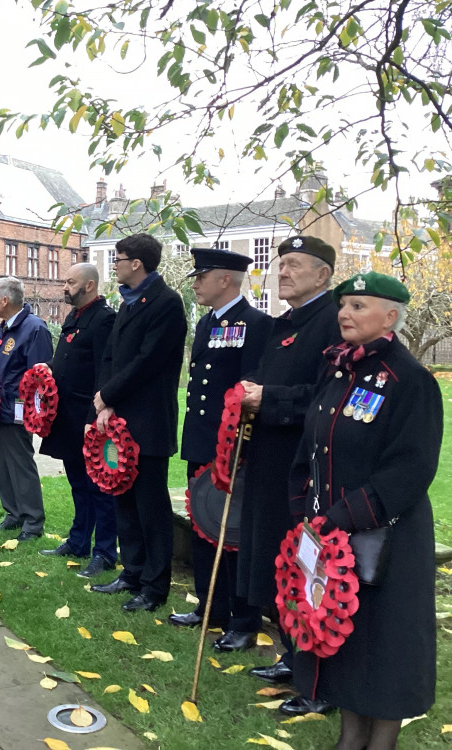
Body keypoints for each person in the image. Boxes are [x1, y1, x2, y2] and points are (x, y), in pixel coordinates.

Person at [289, 271, 442, 749]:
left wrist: (341, 518)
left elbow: (411, 469)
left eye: (358, 306)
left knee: (384, 649)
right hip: (331, 536)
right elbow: (312, 448)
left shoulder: (409, 380)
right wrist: (303, 511)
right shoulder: (340, 369)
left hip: (385, 542)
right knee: (345, 640)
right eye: (343, 305)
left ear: (390, 316)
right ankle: (350, 737)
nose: (344, 313)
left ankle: (381, 743)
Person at [236, 236, 340, 716]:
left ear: (322, 275)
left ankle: (319, 679)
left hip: (303, 469)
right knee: (274, 564)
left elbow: (325, 396)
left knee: (304, 570)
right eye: (281, 265)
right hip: (267, 462)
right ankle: (291, 654)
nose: (282, 272)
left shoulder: (331, 322)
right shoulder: (286, 323)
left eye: (294, 265)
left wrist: (268, 399)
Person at [168, 248, 273, 650]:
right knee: (202, 522)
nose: (195, 284)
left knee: (232, 531)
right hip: (201, 438)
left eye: (202, 276)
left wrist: (237, 445)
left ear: (225, 279)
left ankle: (243, 619)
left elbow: (251, 387)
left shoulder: (256, 324)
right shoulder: (208, 323)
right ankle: (211, 606)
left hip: (231, 443)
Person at [89, 234, 188, 612]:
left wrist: (109, 395)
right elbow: (111, 358)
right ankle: (131, 572)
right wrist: (102, 403)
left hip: (148, 422)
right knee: (124, 500)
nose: (113, 265)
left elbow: (148, 362)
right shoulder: (128, 302)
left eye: (118, 259)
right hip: (118, 420)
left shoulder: (166, 303)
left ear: (137, 263)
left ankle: (154, 585)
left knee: (150, 507)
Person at [38, 263, 117, 576]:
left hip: (88, 417)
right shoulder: (74, 316)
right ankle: (79, 541)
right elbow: (70, 358)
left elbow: (103, 370)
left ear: (89, 285)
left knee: (99, 487)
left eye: (70, 282)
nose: (65, 287)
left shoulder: (104, 318)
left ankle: (105, 552)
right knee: (78, 484)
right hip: (66, 416)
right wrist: (49, 367)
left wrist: (93, 415)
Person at [0, 277, 53, 541]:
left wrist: (31, 413)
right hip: (1, 406)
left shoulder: (34, 329)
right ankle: (13, 514)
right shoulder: (6, 327)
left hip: (19, 408)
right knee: (4, 463)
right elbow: (3, 359)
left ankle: (32, 522)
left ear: (5, 300)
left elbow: (39, 377)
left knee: (21, 464)